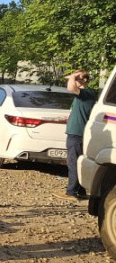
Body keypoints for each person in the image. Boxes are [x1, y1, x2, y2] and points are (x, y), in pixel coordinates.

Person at [58, 69, 97, 200]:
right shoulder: (83, 96)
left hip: (77, 133)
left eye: (78, 78)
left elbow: (70, 86)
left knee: (73, 162)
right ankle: (80, 190)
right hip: (78, 132)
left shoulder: (87, 93)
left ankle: (71, 191)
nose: (74, 80)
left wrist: (73, 76)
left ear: (84, 80)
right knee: (79, 162)